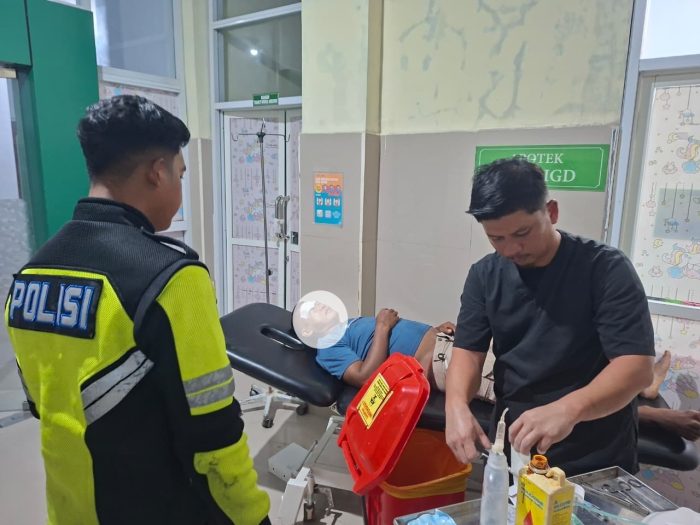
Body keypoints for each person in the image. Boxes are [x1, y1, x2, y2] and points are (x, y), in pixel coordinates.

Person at [4, 95, 270, 525]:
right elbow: (214, 433)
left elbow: (42, 404)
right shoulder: (173, 279)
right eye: (180, 175)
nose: (179, 190)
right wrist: (253, 516)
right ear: (157, 172)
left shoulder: (29, 279)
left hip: (70, 510)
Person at [445, 157, 655, 476]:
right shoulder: (484, 275)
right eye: (496, 238)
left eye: (522, 233)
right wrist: (456, 405)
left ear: (551, 212)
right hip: (515, 447)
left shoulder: (605, 269)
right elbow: (469, 352)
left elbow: (636, 367)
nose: (511, 249)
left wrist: (569, 409)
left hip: (594, 454)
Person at [299, 301, 457, 390]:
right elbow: (364, 378)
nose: (319, 305)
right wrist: (382, 325)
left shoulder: (348, 324)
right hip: (438, 360)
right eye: (312, 310)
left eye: (316, 303)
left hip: (444, 342)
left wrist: (435, 331)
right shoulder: (327, 347)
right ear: (306, 330)